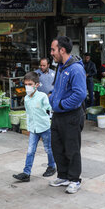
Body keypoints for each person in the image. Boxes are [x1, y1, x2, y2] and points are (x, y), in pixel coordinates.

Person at [48, 36, 87, 194]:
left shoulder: (75, 69)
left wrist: (62, 104)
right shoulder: (61, 67)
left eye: (53, 50)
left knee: (72, 148)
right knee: (57, 147)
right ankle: (63, 176)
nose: (51, 53)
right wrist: (52, 98)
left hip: (71, 115)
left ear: (62, 50)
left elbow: (80, 94)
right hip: (58, 115)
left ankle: (74, 179)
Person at [12, 72, 56, 182]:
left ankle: (52, 166)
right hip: (33, 128)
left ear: (36, 85)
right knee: (30, 151)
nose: (27, 87)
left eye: (30, 84)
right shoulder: (26, 99)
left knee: (48, 149)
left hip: (44, 127)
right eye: (26, 84)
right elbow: (28, 113)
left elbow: (50, 109)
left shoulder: (42, 96)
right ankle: (26, 173)